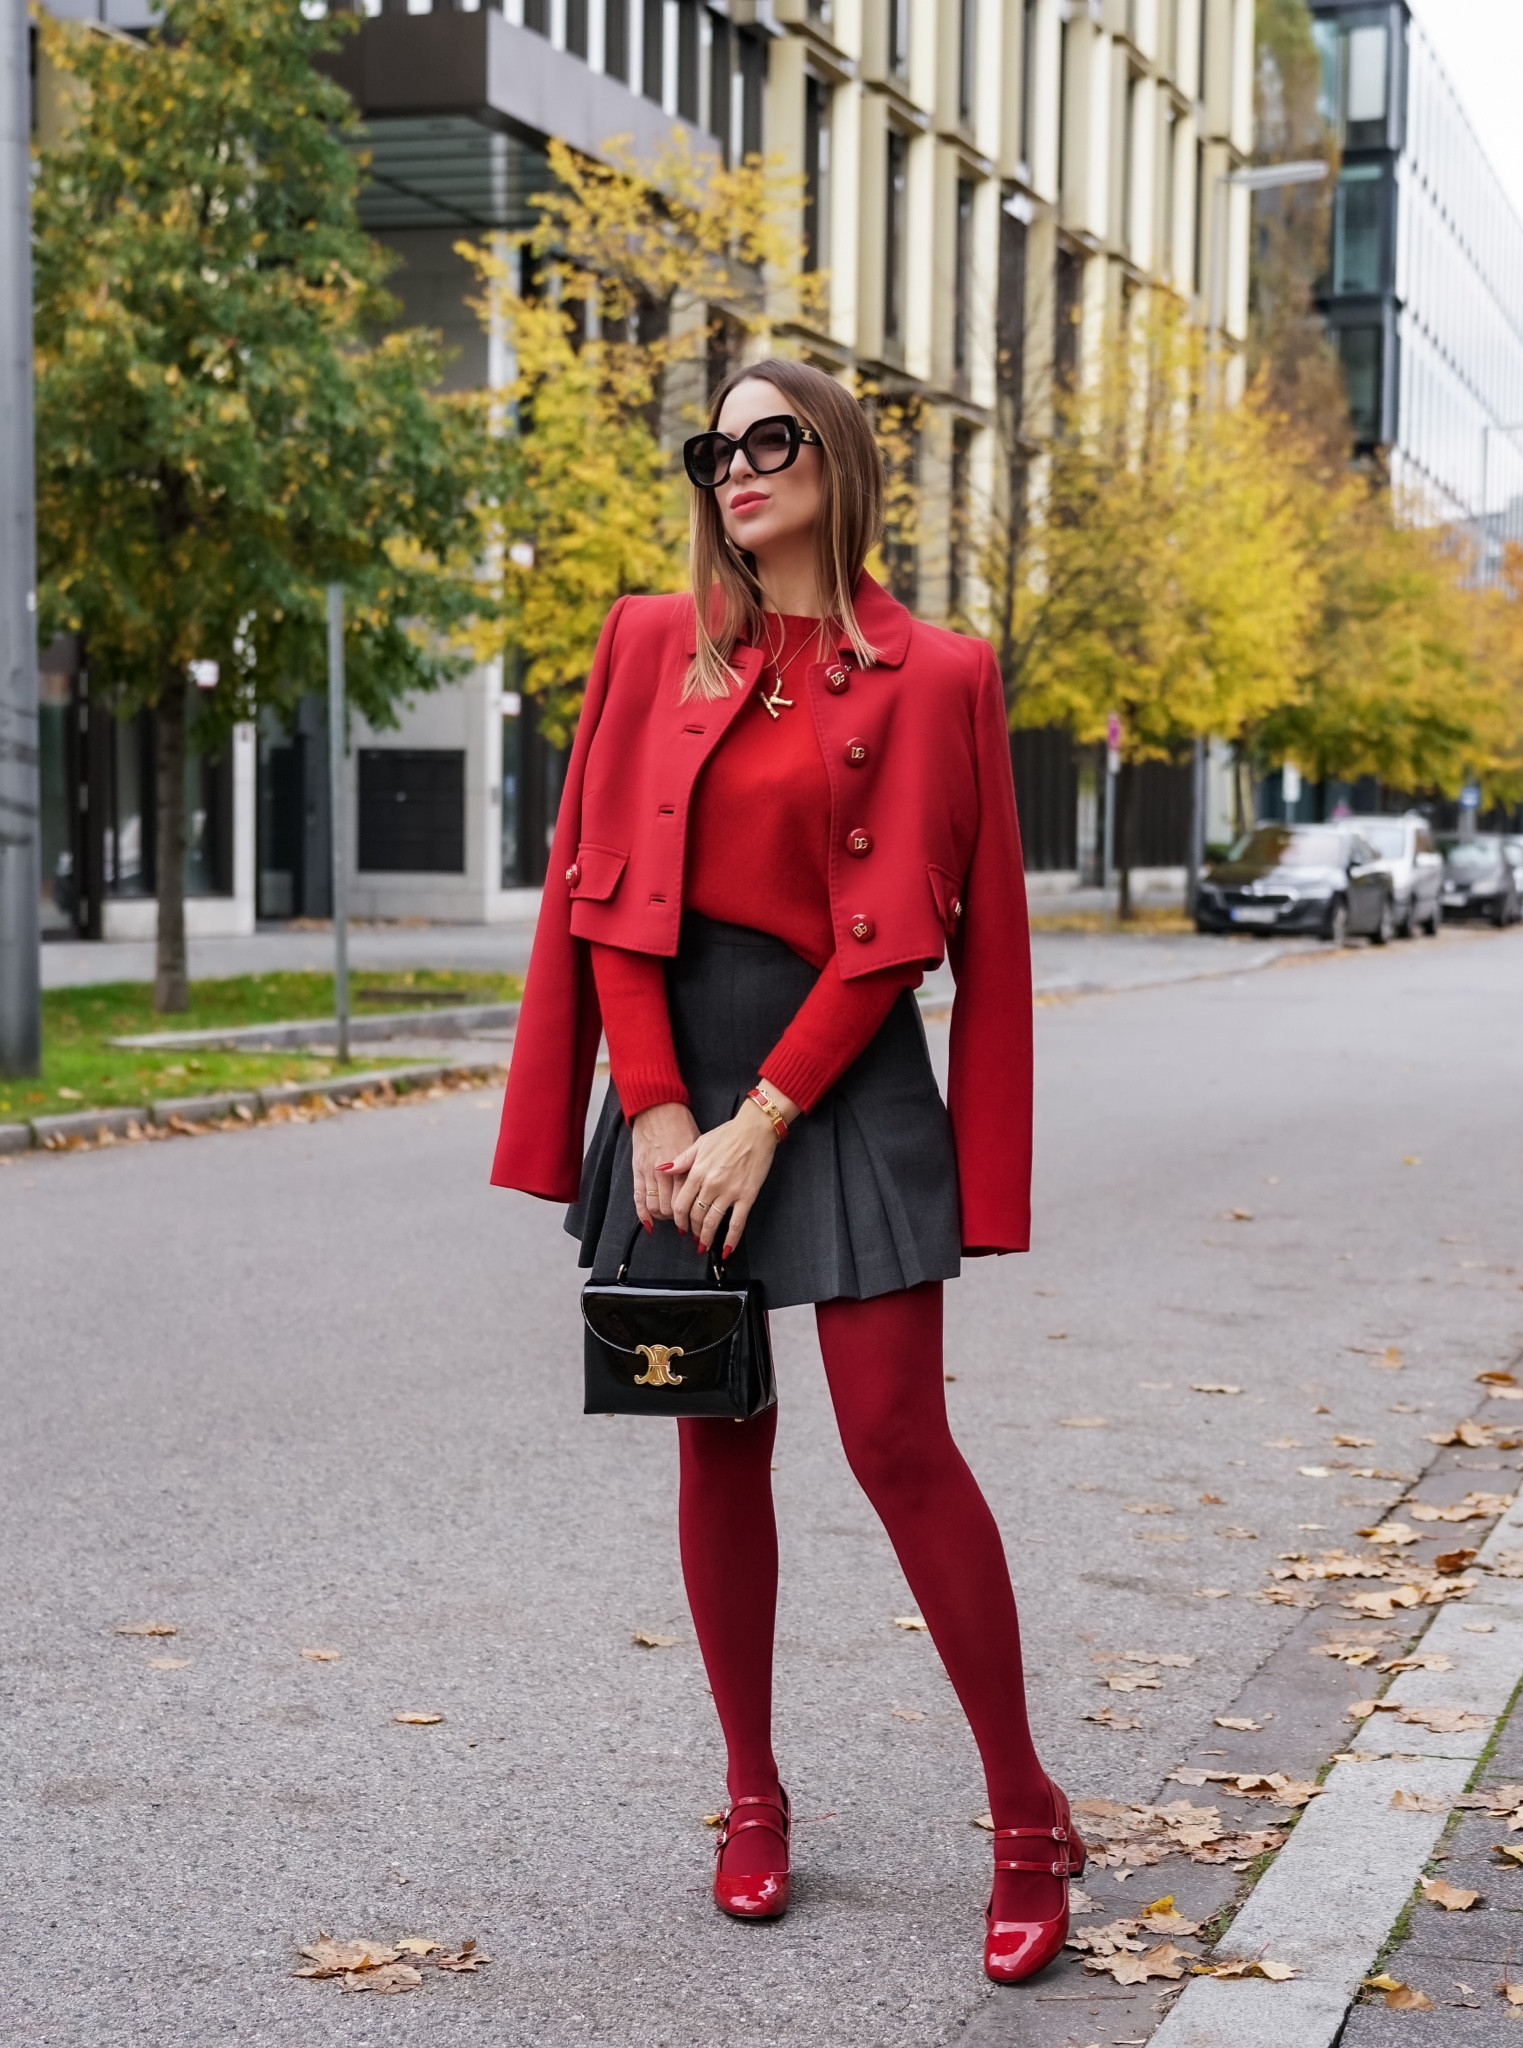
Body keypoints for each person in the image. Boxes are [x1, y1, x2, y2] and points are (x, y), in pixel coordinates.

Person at [491, 357, 1082, 1983]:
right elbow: (603, 885)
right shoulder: (644, 641)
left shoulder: (935, 672)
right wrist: (664, 1109)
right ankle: (751, 1798)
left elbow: (905, 935)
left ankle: (1025, 1820)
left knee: (900, 1444)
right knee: (712, 1444)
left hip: (838, 1080)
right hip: (677, 1085)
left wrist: (763, 1115)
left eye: (772, 441)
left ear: (836, 459)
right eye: (717, 448)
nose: (737, 470)